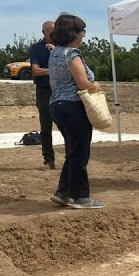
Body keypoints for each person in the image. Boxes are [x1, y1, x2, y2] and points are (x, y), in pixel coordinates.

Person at [47, 14, 104, 209]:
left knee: (72, 151)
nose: (84, 35)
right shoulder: (72, 54)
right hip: (73, 107)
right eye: (82, 31)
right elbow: (83, 84)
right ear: (74, 34)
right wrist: (94, 85)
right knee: (80, 153)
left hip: (56, 105)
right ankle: (81, 197)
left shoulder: (54, 53)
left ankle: (63, 192)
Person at [29, 20, 56, 169]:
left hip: (59, 89)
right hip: (44, 91)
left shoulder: (61, 46)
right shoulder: (36, 48)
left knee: (66, 126)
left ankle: (71, 157)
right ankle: (48, 158)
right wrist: (56, 71)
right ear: (44, 33)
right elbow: (36, 71)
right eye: (52, 32)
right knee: (46, 126)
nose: (55, 35)